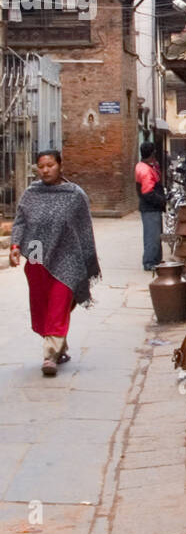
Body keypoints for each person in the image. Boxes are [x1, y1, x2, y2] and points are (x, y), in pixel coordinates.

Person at [8, 150, 101, 376]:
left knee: (59, 302)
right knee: (42, 304)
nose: (46, 170)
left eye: (50, 165)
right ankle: (60, 346)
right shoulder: (31, 193)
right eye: (41, 166)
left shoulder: (75, 194)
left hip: (67, 254)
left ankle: (50, 355)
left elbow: (85, 230)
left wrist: (86, 258)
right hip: (38, 252)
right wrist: (15, 247)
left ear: (60, 166)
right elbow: (20, 221)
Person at [134, 141, 166, 270]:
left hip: (150, 208)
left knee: (154, 235)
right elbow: (148, 193)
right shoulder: (146, 170)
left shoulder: (143, 166)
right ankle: (149, 262)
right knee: (152, 237)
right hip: (151, 208)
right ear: (152, 153)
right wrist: (161, 200)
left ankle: (155, 260)